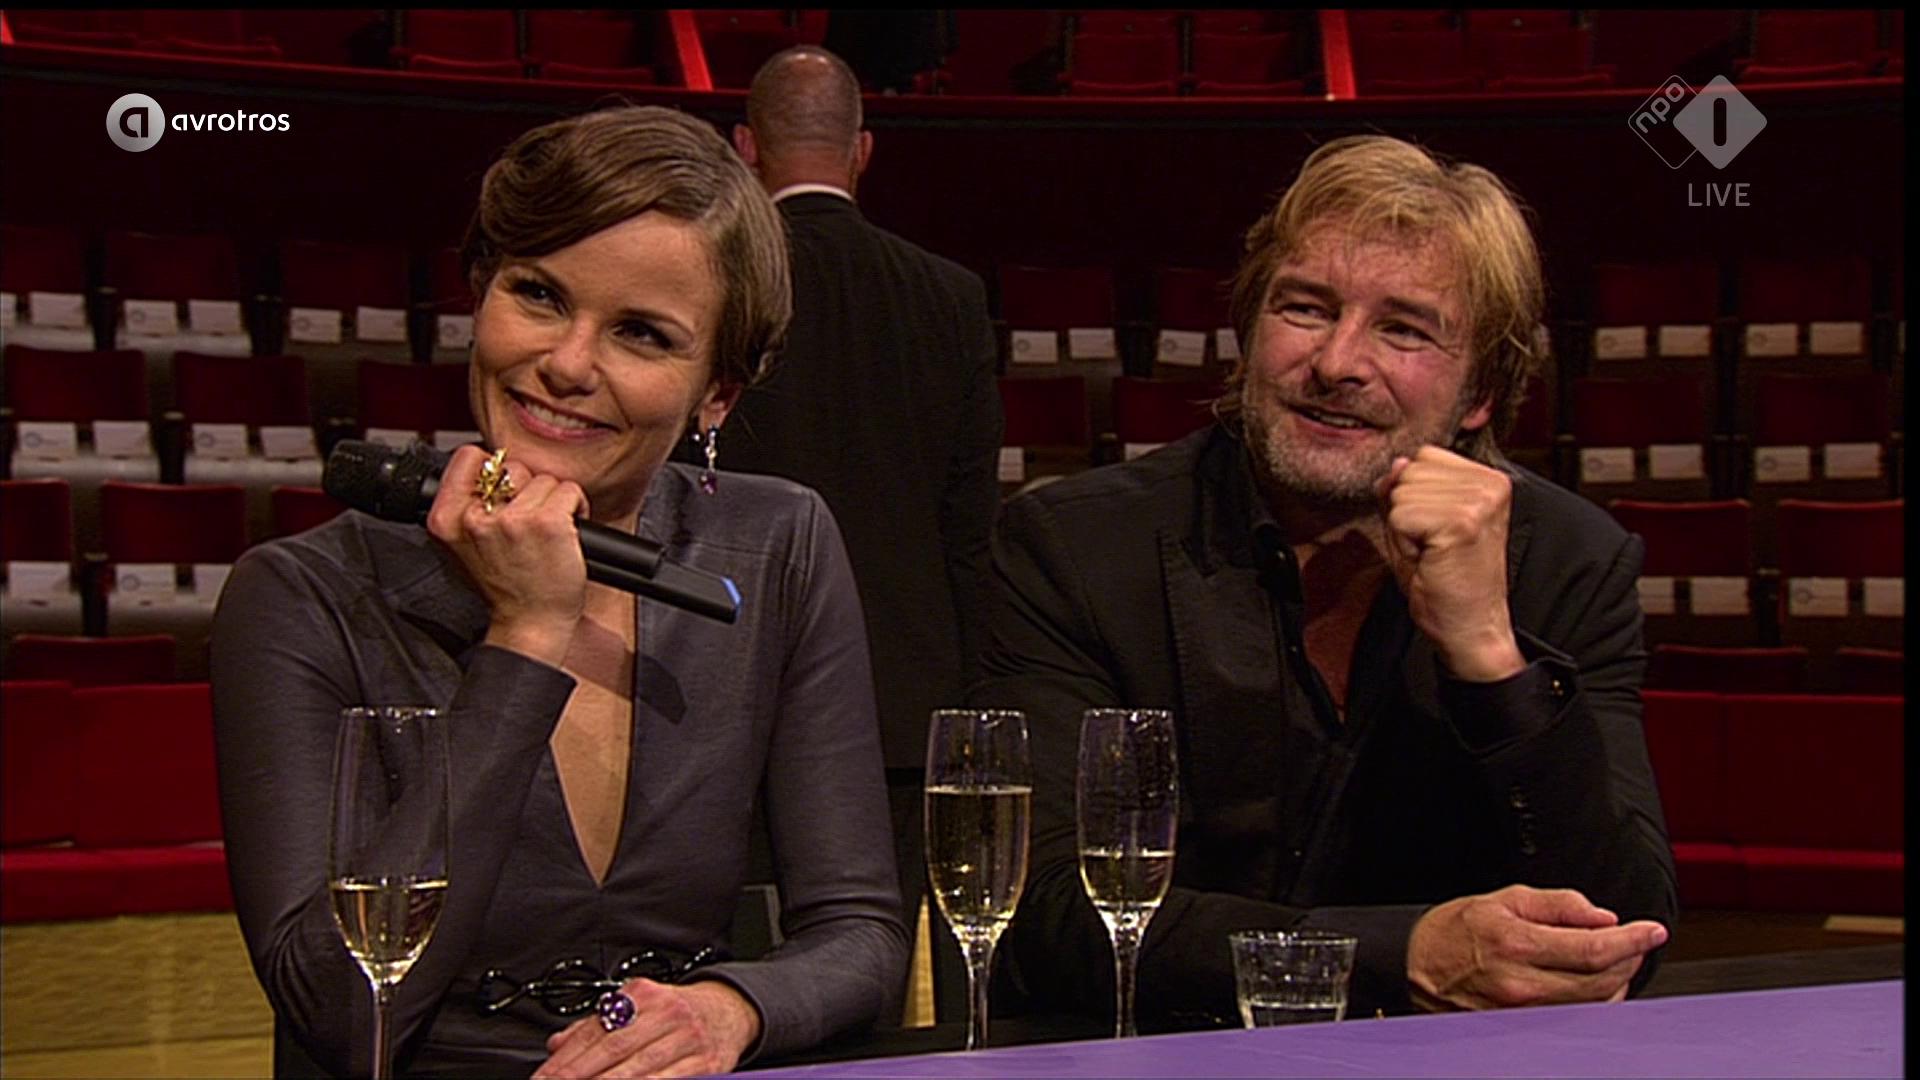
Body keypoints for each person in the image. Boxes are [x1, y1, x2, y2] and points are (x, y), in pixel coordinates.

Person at [211, 106, 909, 1078]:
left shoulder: (776, 545)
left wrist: (731, 1010)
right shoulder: (301, 594)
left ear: (717, 394)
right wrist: (527, 631)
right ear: (480, 293)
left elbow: (862, 934)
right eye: (539, 294)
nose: (569, 364)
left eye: (641, 334)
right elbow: (340, 1011)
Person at [974, 135, 1678, 1029]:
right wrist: (1398, 956)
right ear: (1247, 333)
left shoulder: (1570, 562)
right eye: (1305, 308)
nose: (1338, 361)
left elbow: (1621, 932)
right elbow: (1039, 917)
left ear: (1479, 395)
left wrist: (1491, 659)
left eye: (1403, 328)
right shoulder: (1074, 548)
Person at [724, 43, 1002, 1014]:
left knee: (740, 977)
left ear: (745, 147)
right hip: (903, 711)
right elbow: (970, 534)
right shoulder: (951, 295)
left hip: (734, 694)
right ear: (862, 149)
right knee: (867, 973)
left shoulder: (716, 286)